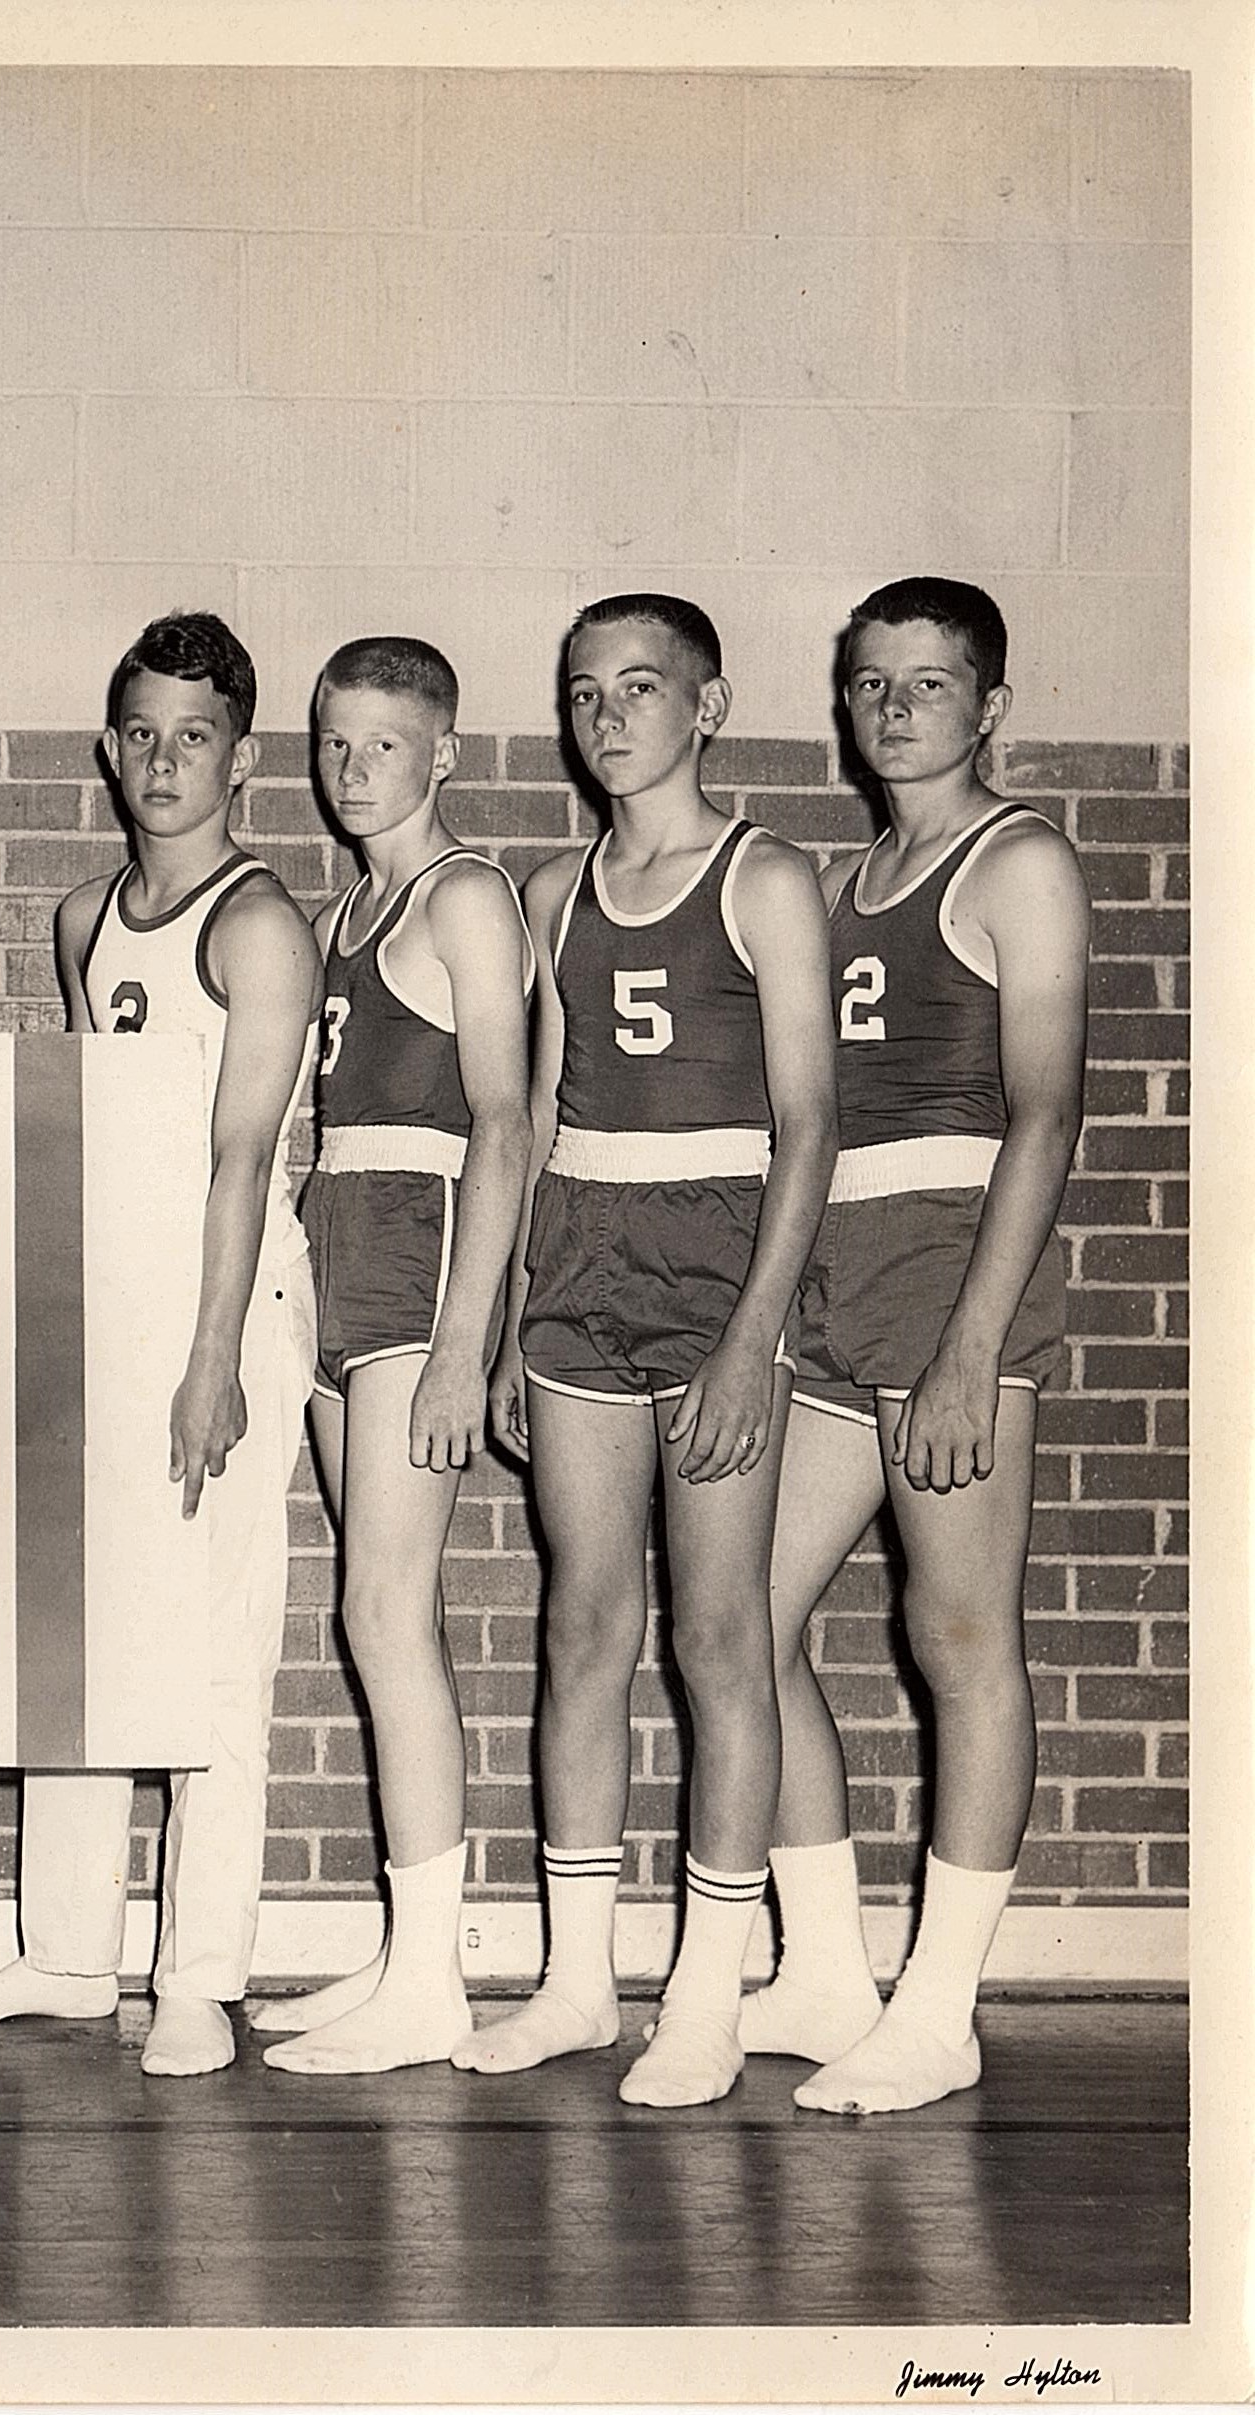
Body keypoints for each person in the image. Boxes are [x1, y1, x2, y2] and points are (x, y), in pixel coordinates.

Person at [458, 593, 836, 2107]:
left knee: (721, 1637)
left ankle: (706, 1992)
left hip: (714, 1267)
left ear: (708, 703)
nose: (606, 718)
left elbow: (810, 1124)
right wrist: (501, 1322)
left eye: (637, 689)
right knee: (580, 1630)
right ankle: (572, 1980)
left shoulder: (767, 881)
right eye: (581, 694)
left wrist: (752, 1336)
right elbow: (540, 1115)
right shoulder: (552, 892)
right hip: (580, 1265)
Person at [0, 611, 322, 2077]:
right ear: (110, 750)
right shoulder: (77, 919)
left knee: (212, 1642)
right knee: (80, 1627)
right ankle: (62, 1951)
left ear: (239, 757)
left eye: (196, 736)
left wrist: (211, 1356)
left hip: (222, 1315)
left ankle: (200, 1977)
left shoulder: (256, 926)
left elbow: (241, 1159)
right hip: (101, 1317)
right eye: (143, 734)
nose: (165, 762)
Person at [741, 580, 1088, 2114]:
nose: (895, 708)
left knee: (958, 1642)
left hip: (954, 1274)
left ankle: (937, 2005)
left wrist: (970, 1346)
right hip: (837, 1282)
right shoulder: (842, 878)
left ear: (988, 706)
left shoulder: (1018, 861)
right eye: (871, 683)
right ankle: (823, 1967)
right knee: (737, 1619)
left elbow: (1045, 1114)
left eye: (929, 683)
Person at [254, 637, 533, 2076]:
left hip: (418, 1250)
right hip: (335, 1244)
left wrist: (461, 1344)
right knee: (368, 1616)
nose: (352, 767)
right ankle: (398, 1945)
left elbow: (507, 1116)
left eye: (381, 742)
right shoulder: (347, 906)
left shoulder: (465, 894)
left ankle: (433, 1980)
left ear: (444, 752)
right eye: (332, 741)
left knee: (385, 1611)